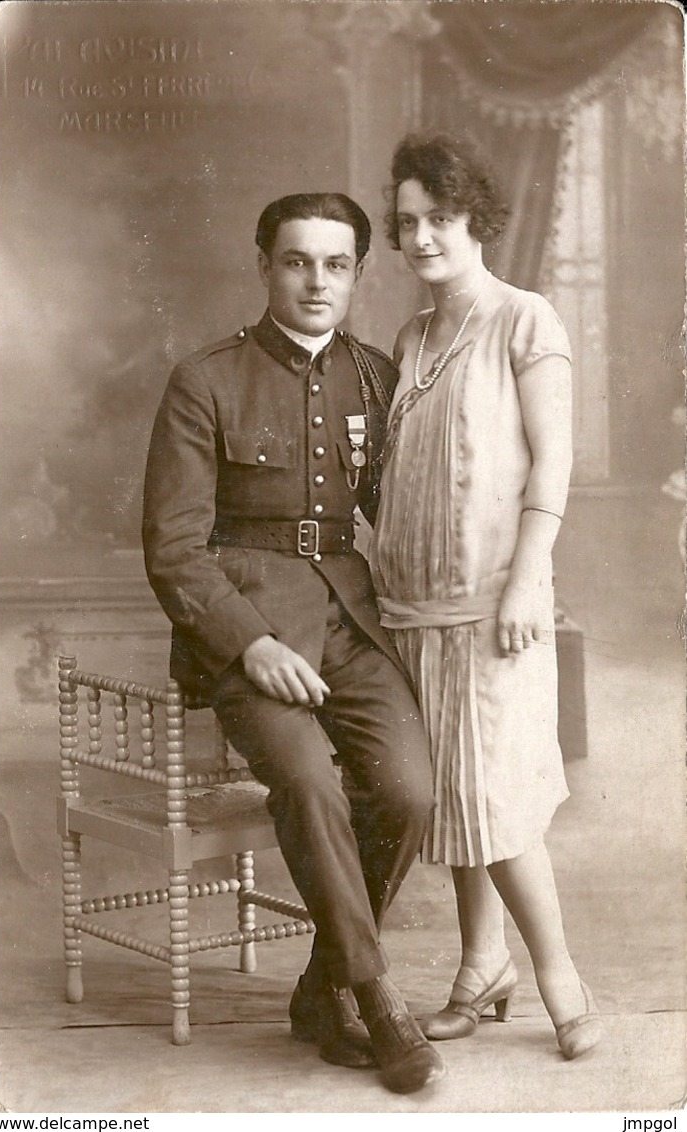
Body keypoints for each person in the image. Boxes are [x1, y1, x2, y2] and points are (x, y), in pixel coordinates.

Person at [142, 192, 446, 1094]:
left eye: (336, 264)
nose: (317, 282)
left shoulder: (377, 375)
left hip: (351, 619)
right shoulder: (206, 379)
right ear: (264, 266)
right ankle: (375, 994)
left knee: (409, 788)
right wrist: (247, 644)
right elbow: (173, 547)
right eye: (297, 261)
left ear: (358, 273)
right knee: (311, 780)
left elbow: (402, 510)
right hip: (250, 627)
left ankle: (321, 986)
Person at [369, 133, 602, 1059]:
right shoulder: (412, 336)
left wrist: (525, 583)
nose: (422, 237)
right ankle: (479, 966)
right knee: (458, 800)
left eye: (440, 218)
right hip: (412, 607)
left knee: (496, 800)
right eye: (407, 223)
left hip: (495, 606)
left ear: (476, 220)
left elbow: (553, 461)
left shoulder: (524, 319)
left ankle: (559, 982)